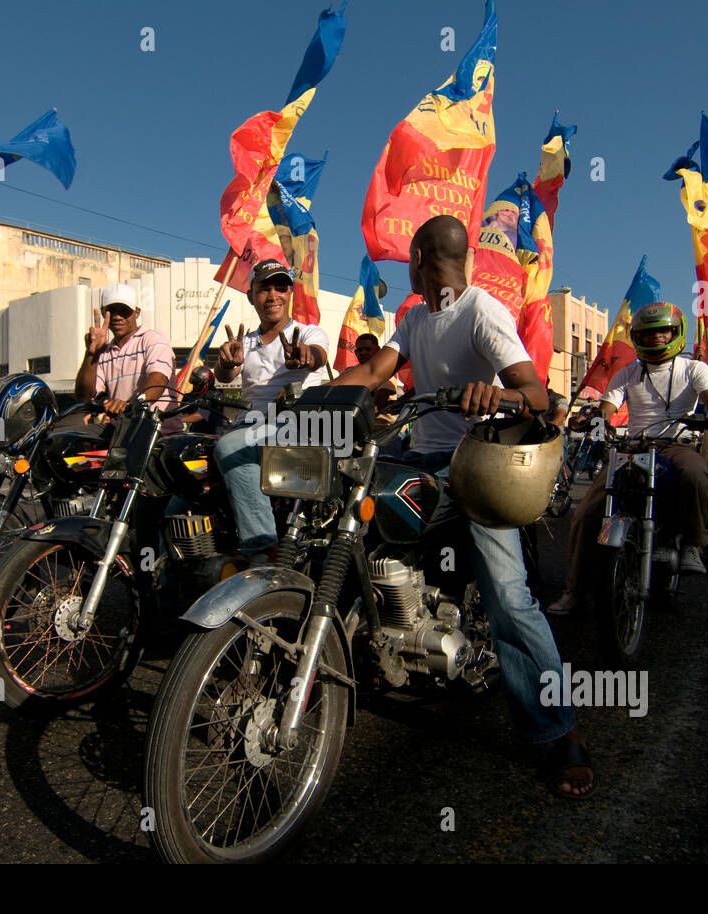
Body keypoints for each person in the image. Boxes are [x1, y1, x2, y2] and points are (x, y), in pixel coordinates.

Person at [334, 214, 595, 799]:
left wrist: (494, 393)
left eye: (410, 259)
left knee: (509, 598)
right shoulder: (414, 319)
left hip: (475, 463)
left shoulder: (482, 312)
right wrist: (312, 398)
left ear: (420, 260)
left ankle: (561, 728)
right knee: (343, 517)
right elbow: (375, 371)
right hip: (421, 458)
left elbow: (535, 394)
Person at [547, 302, 708, 616]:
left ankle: (693, 542)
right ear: (637, 337)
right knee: (585, 514)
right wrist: (596, 419)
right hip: (633, 447)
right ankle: (574, 589)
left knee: (698, 475)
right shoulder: (627, 373)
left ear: (676, 333)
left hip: (677, 444)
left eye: (664, 331)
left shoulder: (694, 369)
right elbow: (607, 406)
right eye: (649, 333)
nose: (657, 337)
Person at [213, 259, 329, 560]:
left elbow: (317, 355)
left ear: (290, 293)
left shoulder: (308, 333)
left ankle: (263, 551)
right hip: (248, 428)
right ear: (251, 295)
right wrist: (226, 364)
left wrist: (304, 357)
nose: (273, 295)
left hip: (293, 427)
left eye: (281, 287)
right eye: (264, 288)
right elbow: (224, 376)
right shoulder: (244, 343)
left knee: (229, 446)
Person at [72, 283, 176, 427]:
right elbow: (84, 396)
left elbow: (158, 379)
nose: (117, 317)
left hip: (160, 433)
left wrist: (130, 404)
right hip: (123, 434)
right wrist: (91, 355)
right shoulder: (104, 353)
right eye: (111, 311)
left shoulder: (153, 339)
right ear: (103, 313)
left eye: (124, 311)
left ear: (137, 312)